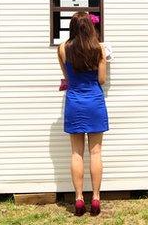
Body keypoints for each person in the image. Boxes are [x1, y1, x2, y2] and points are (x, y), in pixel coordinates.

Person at [57, 11, 109, 216]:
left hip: (75, 101)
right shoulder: (98, 49)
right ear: (90, 27)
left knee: (76, 153)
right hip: (94, 101)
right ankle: (95, 198)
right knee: (96, 152)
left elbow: (67, 76)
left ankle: (79, 199)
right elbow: (102, 80)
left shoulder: (62, 49)